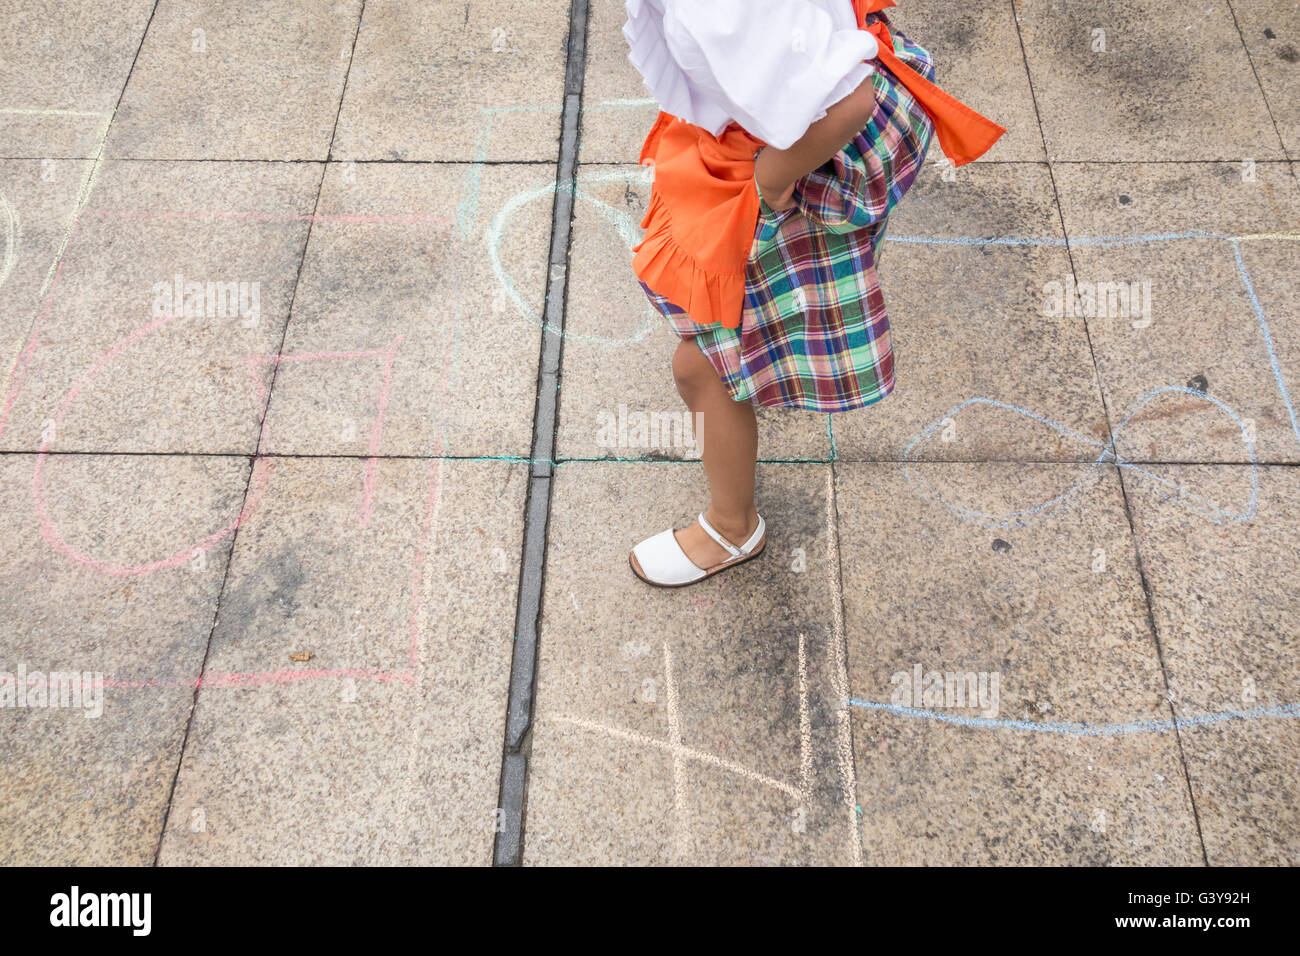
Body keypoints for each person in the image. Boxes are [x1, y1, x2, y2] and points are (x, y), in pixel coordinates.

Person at [623, 0, 1005, 587]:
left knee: (701, 365)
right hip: (798, 136)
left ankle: (732, 526)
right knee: (737, 322)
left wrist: (770, 180)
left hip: (799, 157)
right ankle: (765, 358)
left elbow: (849, 101)